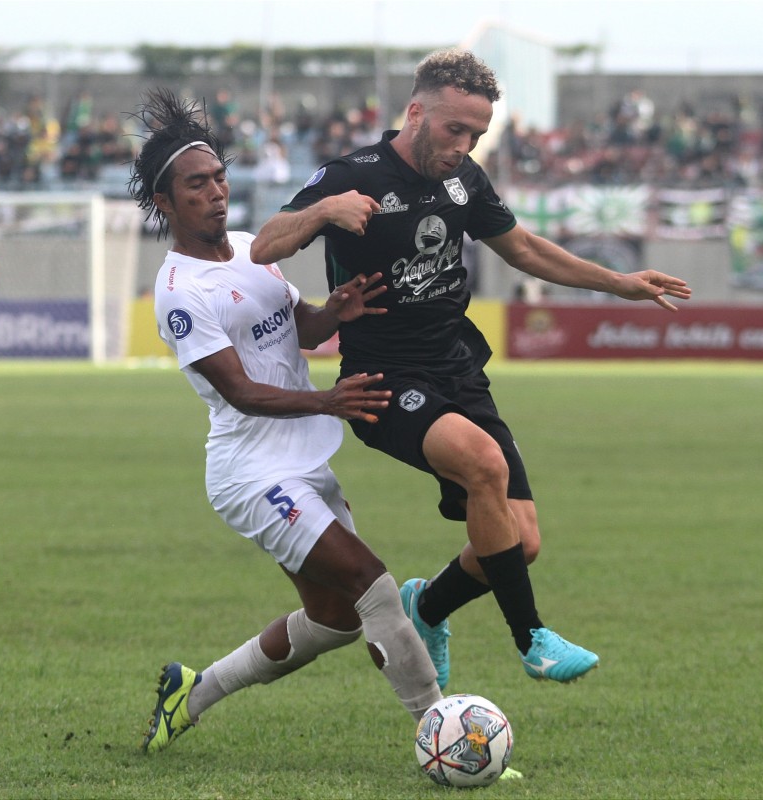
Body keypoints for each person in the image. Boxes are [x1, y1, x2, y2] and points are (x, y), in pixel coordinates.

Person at [251, 48, 692, 688]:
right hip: (382, 381)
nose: (462, 145)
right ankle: (532, 638)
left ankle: (425, 607)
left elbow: (525, 249)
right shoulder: (356, 174)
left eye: (476, 135)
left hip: (457, 371)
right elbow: (265, 243)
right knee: (484, 465)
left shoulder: (465, 181)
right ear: (416, 111)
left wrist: (618, 283)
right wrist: (322, 211)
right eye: (454, 129)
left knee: (520, 543)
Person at [126, 88, 442, 755]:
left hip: (301, 455)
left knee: (335, 621)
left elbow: (300, 328)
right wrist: (329, 400)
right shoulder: (181, 294)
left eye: (218, 178)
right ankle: (442, 729)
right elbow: (240, 392)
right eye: (195, 185)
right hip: (252, 471)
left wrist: (337, 311)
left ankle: (194, 690)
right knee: (369, 581)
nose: (215, 192)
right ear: (165, 203)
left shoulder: (249, 248)